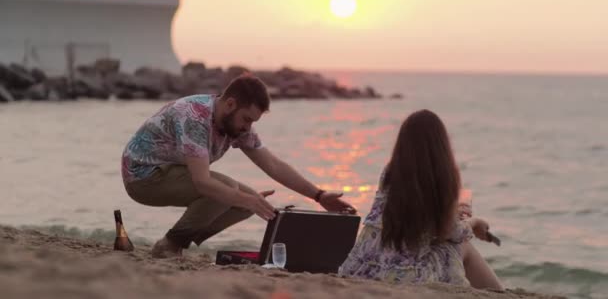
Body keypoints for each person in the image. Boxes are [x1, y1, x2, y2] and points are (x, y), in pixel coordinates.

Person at [121, 74, 355, 258]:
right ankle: (170, 245)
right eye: (247, 119)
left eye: (252, 122)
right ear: (230, 104)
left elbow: (273, 165)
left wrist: (319, 195)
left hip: (171, 172)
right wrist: (239, 197)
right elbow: (203, 182)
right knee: (230, 191)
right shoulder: (195, 117)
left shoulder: (234, 124)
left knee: (249, 201)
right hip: (143, 177)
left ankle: (179, 242)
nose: (247, 127)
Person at [338, 109, 503, 290]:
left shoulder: (390, 172)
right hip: (407, 275)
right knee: (461, 245)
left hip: (366, 268)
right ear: (441, 144)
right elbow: (452, 232)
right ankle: (499, 292)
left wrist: (451, 212)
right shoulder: (442, 175)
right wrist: (475, 222)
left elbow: (413, 217)